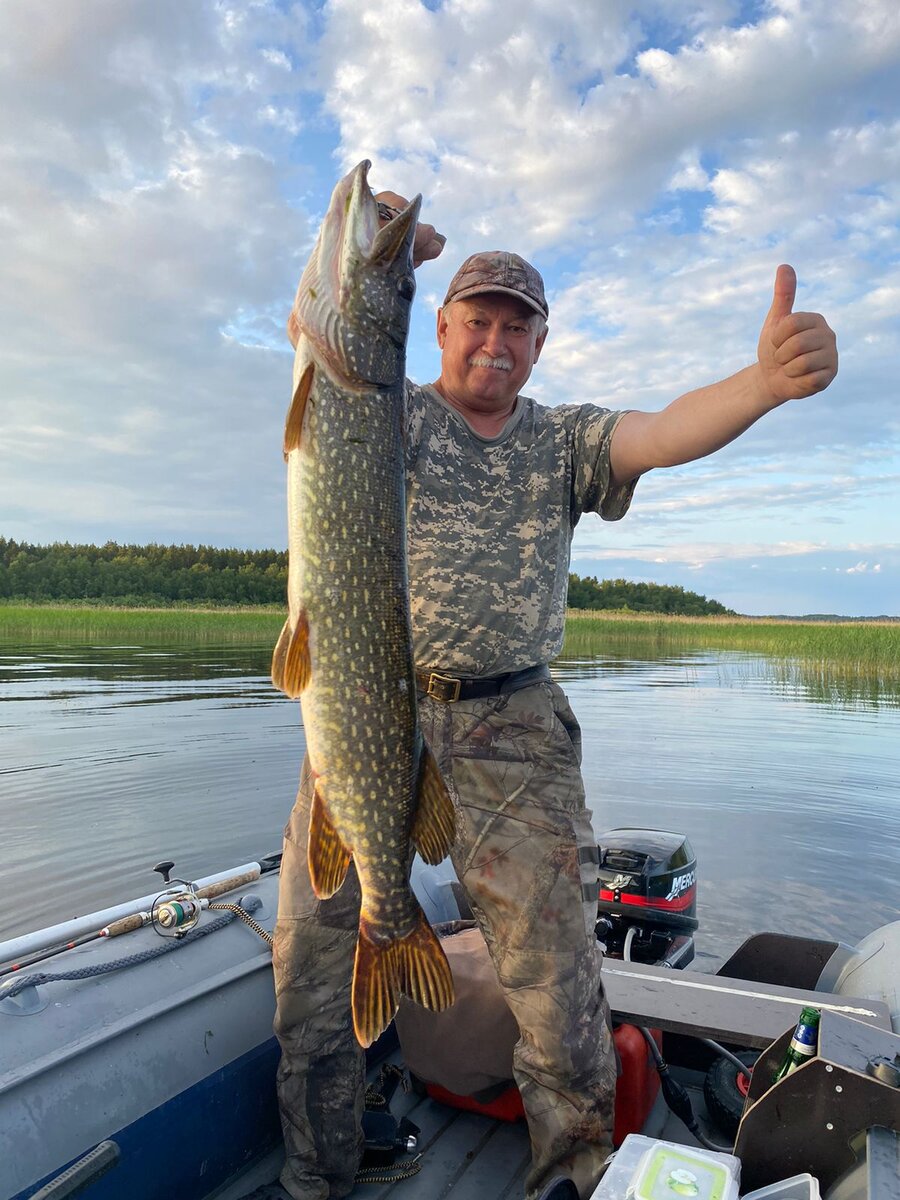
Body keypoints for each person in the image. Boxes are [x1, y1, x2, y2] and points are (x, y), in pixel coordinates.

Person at [253, 192, 838, 1200]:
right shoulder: (377, 409)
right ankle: (316, 1175)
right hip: (366, 716)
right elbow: (322, 344)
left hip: (515, 731)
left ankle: (571, 1172)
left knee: (560, 982)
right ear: (437, 326)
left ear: (538, 344)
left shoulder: (560, 441)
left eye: (515, 326)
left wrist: (761, 384)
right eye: (475, 319)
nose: (494, 341)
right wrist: (379, 268)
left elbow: (660, 433)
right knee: (312, 971)